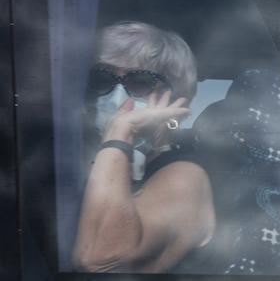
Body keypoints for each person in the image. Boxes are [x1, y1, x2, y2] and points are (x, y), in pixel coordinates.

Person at [73, 21, 216, 273]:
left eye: (140, 82)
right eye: (101, 79)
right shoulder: (75, 159)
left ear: (176, 97)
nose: (117, 96)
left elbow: (101, 256)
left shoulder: (185, 175)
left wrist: (120, 130)